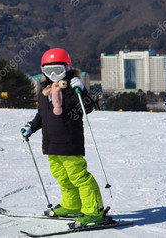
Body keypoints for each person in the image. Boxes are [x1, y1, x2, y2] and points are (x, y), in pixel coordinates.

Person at [21, 48, 105, 227]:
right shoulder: (45, 92)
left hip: (69, 142)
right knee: (62, 177)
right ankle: (72, 204)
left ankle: (94, 211)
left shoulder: (72, 89)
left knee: (79, 177)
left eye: (57, 70)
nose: (53, 75)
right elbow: (41, 117)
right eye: (48, 71)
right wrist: (31, 127)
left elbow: (87, 108)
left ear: (67, 68)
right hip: (51, 144)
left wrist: (82, 90)